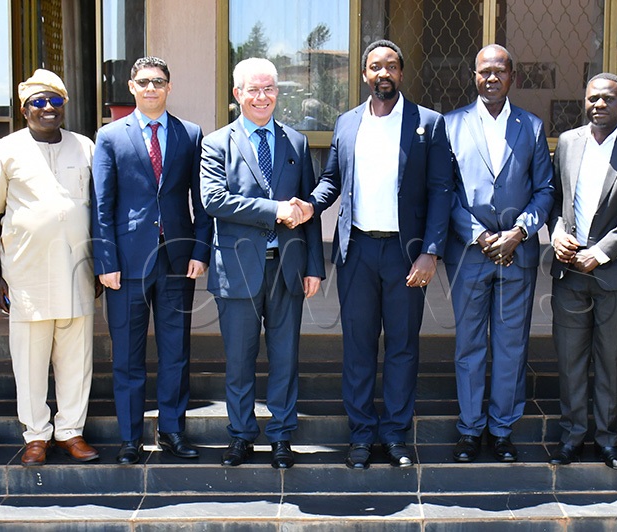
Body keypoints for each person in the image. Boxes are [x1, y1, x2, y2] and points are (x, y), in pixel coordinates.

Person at [305, 39, 453, 469]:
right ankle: (361, 435)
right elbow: (331, 181)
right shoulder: (347, 123)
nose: (383, 73)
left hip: (406, 254)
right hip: (357, 250)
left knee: (403, 347)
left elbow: (442, 190)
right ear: (365, 75)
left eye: (391, 66)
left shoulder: (428, 123)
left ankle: (394, 436)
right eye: (375, 67)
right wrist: (309, 205)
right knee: (358, 346)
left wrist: (431, 252)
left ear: (402, 74)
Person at [199, 57, 325, 469]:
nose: (262, 97)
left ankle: (282, 436)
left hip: (287, 268)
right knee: (239, 361)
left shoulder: (296, 142)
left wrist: (314, 266)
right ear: (237, 94)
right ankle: (240, 435)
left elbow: (307, 208)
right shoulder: (217, 143)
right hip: (237, 269)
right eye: (253, 89)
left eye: (269, 88)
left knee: (285, 358)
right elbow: (215, 200)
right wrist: (274, 210)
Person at [92, 56, 211, 465]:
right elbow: (101, 205)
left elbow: (203, 201)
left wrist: (201, 249)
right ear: (131, 86)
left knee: (176, 350)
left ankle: (172, 431)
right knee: (127, 352)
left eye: (159, 81)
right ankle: (130, 437)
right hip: (126, 262)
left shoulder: (190, 134)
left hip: (178, 259)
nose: (151, 88)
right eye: (144, 82)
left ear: (169, 87)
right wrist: (105, 260)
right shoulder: (109, 137)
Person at [0, 69, 99, 467]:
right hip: (25, 274)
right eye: (38, 102)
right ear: (23, 108)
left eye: (55, 100)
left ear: (65, 104)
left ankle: (70, 431)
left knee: (76, 357)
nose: (48, 108)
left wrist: (101, 264)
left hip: (77, 270)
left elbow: (99, 209)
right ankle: (36, 435)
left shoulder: (85, 147)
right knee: (28, 361)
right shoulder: (5, 150)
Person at [443, 45, 554, 463]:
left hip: (517, 254)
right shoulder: (451, 125)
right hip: (470, 254)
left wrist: (520, 230)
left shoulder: (531, 126)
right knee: (469, 345)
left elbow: (545, 189)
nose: (491, 78)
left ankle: (502, 429)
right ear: (474, 76)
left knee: (510, 345)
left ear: (513, 77)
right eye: (483, 72)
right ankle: (470, 430)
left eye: (499, 72)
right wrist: (477, 234)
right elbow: (446, 190)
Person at [547, 73, 617, 470]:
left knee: (609, 360)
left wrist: (602, 253)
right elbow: (555, 199)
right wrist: (557, 232)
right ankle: (572, 437)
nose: (598, 105)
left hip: (615, 275)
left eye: (607, 99)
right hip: (569, 272)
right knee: (570, 359)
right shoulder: (568, 143)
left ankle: (607, 440)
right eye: (592, 98)